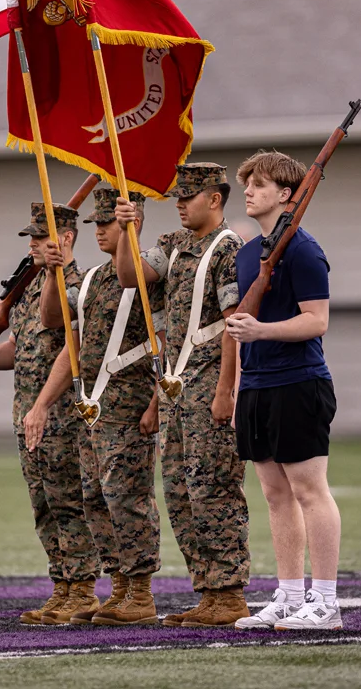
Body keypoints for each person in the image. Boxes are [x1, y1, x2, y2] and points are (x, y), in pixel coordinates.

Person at [115, 163, 251, 628]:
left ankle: (229, 593)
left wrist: (225, 390)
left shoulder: (228, 249)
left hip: (208, 387)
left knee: (213, 488)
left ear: (215, 199)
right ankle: (208, 591)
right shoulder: (173, 245)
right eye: (177, 195)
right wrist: (132, 230)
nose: (179, 203)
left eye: (188, 196)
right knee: (179, 492)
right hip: (176, 391)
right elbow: (131, 275)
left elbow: (233, 325)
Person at [24, 188, 163, 626]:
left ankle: (140, 592)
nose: (100, 231)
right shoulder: (92, 280)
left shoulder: (148, 274)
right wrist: (53, 272)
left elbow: (170, 339)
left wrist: (158, 402)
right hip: (94, 410)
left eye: (109, 223)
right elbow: (56, 326)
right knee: (95, 500)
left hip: (131, 404)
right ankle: (119, 587)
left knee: (128, 498)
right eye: (97, 225)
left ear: (131, 222)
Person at [0, 203, 100, 626]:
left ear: (68, 238)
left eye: (41, 236)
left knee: (70, 503)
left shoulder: (79, 285)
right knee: (44, 507)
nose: (34, 243)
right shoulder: (30, 286)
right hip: (26, 413)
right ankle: (62, 588)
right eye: (32, 237)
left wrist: (41, 406)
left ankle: (83, 589)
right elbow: (22, 348)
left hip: (62, 417)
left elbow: (72, 352)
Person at [227, 150, 341, 631]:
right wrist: (235, 392)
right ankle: (291, 596)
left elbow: (317, 321)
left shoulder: (304, 250)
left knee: (310, 491)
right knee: (275, 496)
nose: (249, 190)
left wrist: (262, 332)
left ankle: (327, 601)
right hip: (256, 387)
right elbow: (239, 328)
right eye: (247, 183)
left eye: (260, 183)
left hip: (298, 383)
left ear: (287, 194)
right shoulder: (248, 253)